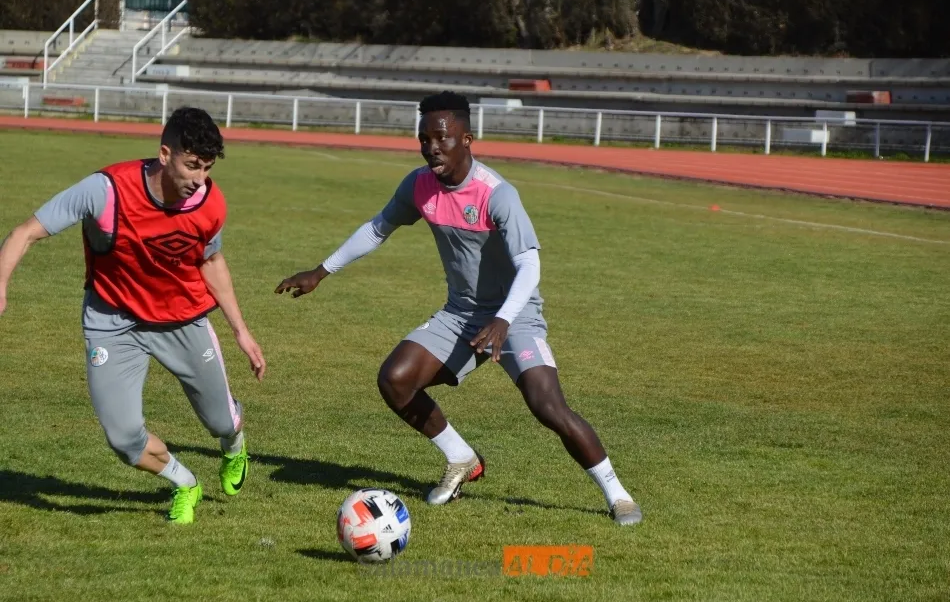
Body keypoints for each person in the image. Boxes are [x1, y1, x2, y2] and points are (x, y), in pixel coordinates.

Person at [275, 91, 642, 525]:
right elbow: (377, 229)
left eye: (442, 138)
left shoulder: (497, 194)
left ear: (467, 139)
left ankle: (618, 495)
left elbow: (530, 264)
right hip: (460, 314)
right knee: (395, 379)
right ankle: (461, 457)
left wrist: (504, 320)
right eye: (424, 139)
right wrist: (321, 271)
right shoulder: (418, 186)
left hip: (515, 314)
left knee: (548, 406)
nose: (432, 147)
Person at [0, 106, 265, 525]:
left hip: (182, 320)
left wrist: (242, 332)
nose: (199, 178)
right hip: (112, 323)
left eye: (207, 168)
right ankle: (185, 483)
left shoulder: (211, 204)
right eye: (191, 165)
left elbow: (211, 263)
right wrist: (1, 283)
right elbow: (25, 232)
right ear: (164, 153)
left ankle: (234, 447)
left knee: (220, 420)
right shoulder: (105, 191)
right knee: (123, 438)